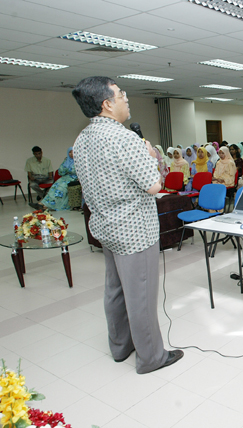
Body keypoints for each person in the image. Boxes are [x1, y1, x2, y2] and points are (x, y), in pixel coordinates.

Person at [71, 76, 182, 373]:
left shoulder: (82, 138)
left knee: (115, 289)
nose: (126, 98)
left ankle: (120, 347)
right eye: (121, 94)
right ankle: (151, 358)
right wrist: (149, 156)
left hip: (105, 227)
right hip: (134, 232)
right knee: (140, 295)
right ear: (107, 104)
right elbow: (154, 185)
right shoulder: (124, 138)